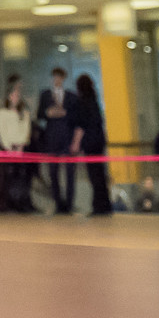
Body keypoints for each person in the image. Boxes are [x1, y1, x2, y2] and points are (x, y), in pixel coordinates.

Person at [37, 67, 79, 214]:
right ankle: (57, 203)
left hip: (66, 137)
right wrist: (48, 113)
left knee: (69, 171)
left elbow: (75, 116)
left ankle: (69, 204)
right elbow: (39, 114)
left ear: (63, 79)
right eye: (55, 77)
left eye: (59, 77)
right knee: (53, 171)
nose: (57, 80)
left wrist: (64, 113)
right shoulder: (45, 95)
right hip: (52, 137)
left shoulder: (71, 96)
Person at [71, 73, 111, 215]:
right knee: (100, 174)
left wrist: (75, 143)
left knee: (94, 176)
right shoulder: (94, 100)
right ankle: (104, 205)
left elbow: (81, 126)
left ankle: (98, 206)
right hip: (99, 142)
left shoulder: (82, 102)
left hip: (90, 143)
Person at [0, 74, 35, 213]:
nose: (15, 97)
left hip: (21, 148)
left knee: (23, 177)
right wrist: (8, 147)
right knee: (9, 177)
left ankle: (22, 203)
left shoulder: (24, 112)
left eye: (17, 95)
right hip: (8, 149)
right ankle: (9, 203)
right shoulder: (2, 112)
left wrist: (21, 146)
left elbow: (26, 130)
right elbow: (2, 131)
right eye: (13, 94)